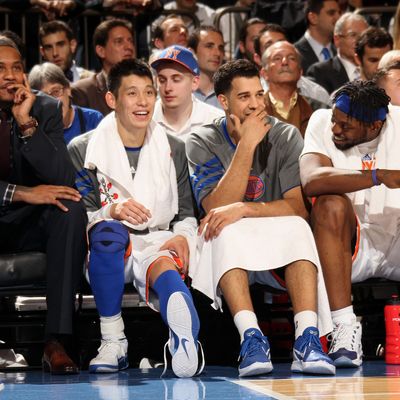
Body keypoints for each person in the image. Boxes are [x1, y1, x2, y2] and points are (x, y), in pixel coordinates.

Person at [186, 59, 334, 377]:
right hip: (226, 247)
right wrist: (247, 146)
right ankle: (251, 338)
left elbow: (297, 206)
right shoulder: (201, 141)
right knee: (222, 229)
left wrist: (246, 209)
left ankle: (307, 338)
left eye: (259, 94)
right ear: (223, 101)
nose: (255, 104)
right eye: (244, 97)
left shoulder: (286, 135)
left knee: (298, 227)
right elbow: (216, 207)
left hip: (275, 241)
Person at [68, 58, 203, 377]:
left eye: (149, 92)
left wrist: (183, 236)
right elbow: (81, 213)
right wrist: (110, 210)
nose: (143, 102)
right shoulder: (82, 148)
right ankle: (113, 340)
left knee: (165, 269)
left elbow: (185, 212)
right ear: (112, 99)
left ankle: (186, 341)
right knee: (108, 232)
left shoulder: (174, 146)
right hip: (106, 246)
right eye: (132, 93)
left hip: (157, 237)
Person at [0, 37, 87, 374]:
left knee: (70, 209)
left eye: (17, 67)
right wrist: (21, 192)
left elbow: (62, 178)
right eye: (1, 69)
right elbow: (31, 191)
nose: (10, 76)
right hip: (10, 207)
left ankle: (56, 342)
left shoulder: (45, 109)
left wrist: (26, 123)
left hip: (27, 224)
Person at [299, 80, 399, 368]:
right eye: (335, 120)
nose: (336, 129)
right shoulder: (320, 121)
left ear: (374, 127)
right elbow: (311, 180)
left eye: (346, 125)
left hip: (395, 236)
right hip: (348, 246)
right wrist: (379, 176)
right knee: (330, 203)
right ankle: (344, 326)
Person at [151, 45, 224, 141]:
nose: (168, 88)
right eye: (162, 80)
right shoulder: (145, 120)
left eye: (176, 80)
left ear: (195, 82)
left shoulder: (216, 121)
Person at [253, 24, 331, 107]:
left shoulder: (317, 94)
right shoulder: (252, 97)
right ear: (258, 59)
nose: (278, 49)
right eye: (269, 46)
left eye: (282, 43)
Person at [261, 41, 327, 136]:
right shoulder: (254, 111)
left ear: (300, 72)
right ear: (264, 73)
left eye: (291, 58)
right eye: (277, 58)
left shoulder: (320, 111)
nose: (285, 62)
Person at [71, 18, 136, 116]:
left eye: (130, 41)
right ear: (101, 51)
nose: (129, 47)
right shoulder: (82, 92)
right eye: (119, 41)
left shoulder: (144, 85)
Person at [28, 62, 103, 144]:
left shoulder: (93, 119)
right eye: (44, 97)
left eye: (55, 92)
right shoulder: (36, 130)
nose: (52, 101)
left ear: (68, 89)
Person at [307, 12, 368, 94]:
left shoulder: (375, 68)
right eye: (353, 35)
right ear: (337, 40)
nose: (360, 40)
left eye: (364, 35)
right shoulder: (320, 72)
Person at [294, 0, 341, 73]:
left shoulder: (340, 53)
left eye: (339, 13)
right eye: (331, 13)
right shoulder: (295, 53)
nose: (339, 18)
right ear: (313, 18)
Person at [188, 25, 224, 109]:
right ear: (192, 53)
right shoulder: (181, 92)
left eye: (220, 48)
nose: (217, 53)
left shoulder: (228, 92)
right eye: (209, 46)